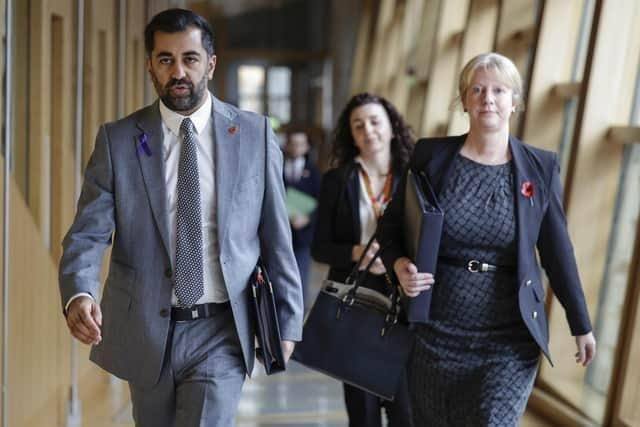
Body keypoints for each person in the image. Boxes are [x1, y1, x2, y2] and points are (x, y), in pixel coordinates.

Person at [58, 8, 303, 427]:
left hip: (222, 329)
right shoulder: (118, 141)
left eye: (189, 58)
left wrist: (288, 317)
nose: (178, 71)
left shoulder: (254, 135)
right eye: (165, 59)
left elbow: (276, 236)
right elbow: (88, 232)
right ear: (150, 66)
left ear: (210, 63)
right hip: (147, 330)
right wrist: (79, 292)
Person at [377, 52, 597, 426]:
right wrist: (399, 264)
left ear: (515, 101)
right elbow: (392, 225)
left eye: (498, 90)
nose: (487, 99)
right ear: (464, 100)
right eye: (477, 90)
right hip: (436, 333)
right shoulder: (432, 156)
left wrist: (581, 323)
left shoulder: (540, 167)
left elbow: (557, 251)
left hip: (508, 339)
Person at [311, 93, 414, 427]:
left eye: (375, 121)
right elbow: (319, 248)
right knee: (363, 415)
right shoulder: (337, 181)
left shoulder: (415, 178)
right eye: (359, 125)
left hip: (404, 306)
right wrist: (355, 252)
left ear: (392, 127)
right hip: (356, 307)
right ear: (351, 135)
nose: (368, 130)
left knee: (406, 413)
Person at [282, 129, 321, 307]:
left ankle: (300, 316)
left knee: (301, 277)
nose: (296, 147)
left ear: (306, 147)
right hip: (282, 232)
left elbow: (323, 202)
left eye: (301, 144)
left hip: (303, 235)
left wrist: (308, 218)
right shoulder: (278, 166)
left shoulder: (314, 172)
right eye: (293, 143)